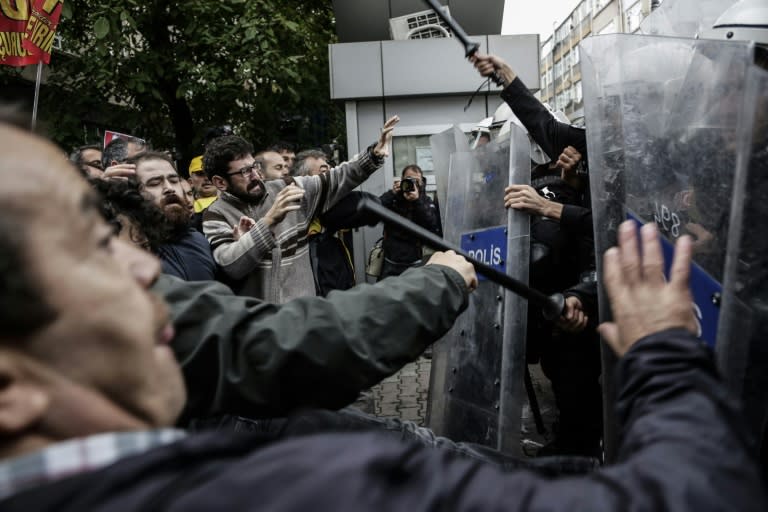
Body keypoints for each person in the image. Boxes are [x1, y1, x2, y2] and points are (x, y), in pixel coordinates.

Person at [0, 119, 764, 509]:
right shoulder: (303, 487)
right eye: (96, 248)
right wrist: (664, 354)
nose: (144, 268)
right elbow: (685, 499)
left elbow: (266, 332)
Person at [202, 116, 399, 302]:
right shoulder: (216, 215)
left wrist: (373, 155)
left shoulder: (286, 187)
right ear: (220, 182)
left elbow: (336, 178)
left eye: (254, 166)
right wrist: (269, 221)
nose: (255, 175)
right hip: (260, 327)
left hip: (302, 318)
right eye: (245, 171)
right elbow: (231, 266)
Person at [131, 151, 218, 281]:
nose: (169, 188)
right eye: (155, 183)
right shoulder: (128, 248)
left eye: (174, 180)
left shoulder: (199, 240)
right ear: (133, 193)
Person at [378, 164, 442, 280]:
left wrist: (417, 201)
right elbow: (376, 209)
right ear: (402, 181)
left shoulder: (425, 201)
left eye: (416, 181)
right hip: (390, 262)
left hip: (415, 263)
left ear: (421, 182)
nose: (412, 184)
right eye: (409, 180)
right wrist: (392, 194)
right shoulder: (394, 198)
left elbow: (432, 227)